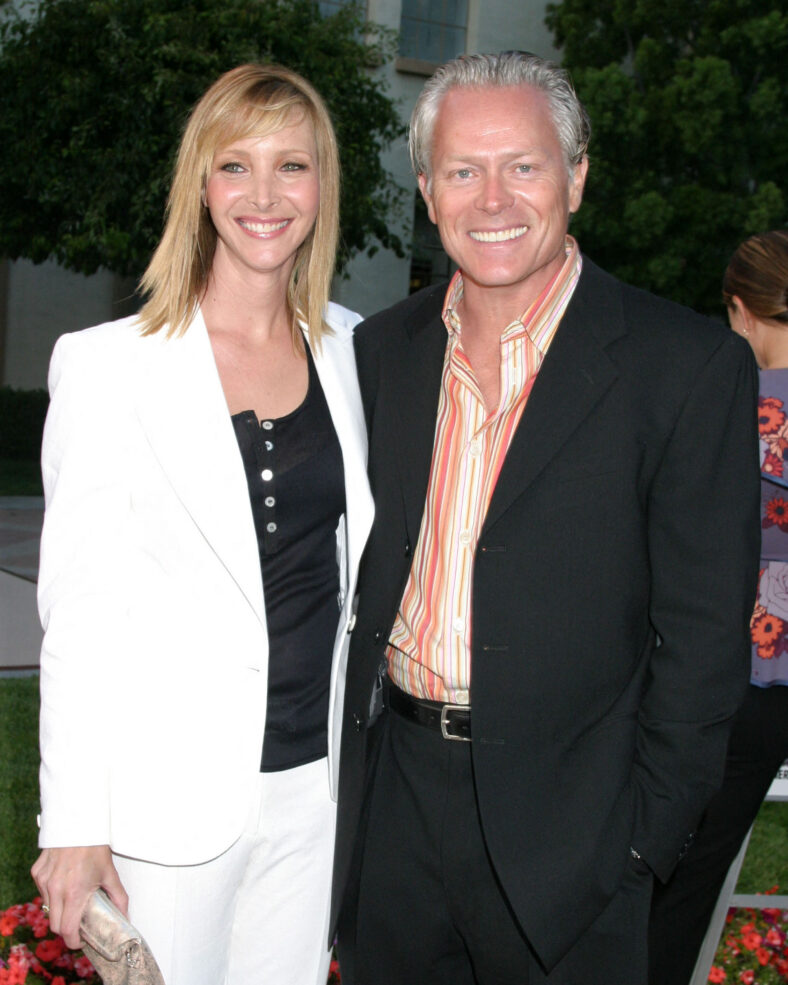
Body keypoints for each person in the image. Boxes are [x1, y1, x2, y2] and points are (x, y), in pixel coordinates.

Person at [330, 51, 761, 985]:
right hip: (395, 813)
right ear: (427, 190)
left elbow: (703, 643)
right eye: (462, 170)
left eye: (523, 165)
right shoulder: (381, 351)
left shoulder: (684, 367)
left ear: (577, 177)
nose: (493, 199)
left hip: (578, 835)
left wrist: (641, 844)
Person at [31, 63, 373, 985]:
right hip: (166, 803)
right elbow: (80, 612)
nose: (264, 195)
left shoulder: (355, 349)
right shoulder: (110, 367)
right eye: (235, 165)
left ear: (322, 185)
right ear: (201, 185)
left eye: (291, 165)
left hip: (315, 791)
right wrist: (73, 824)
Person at [648, 230, 788, 985]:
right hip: (775, 697)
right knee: (694, 887)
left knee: (654, 880)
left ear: (742, 310)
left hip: (710, 677)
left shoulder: (729, 407)